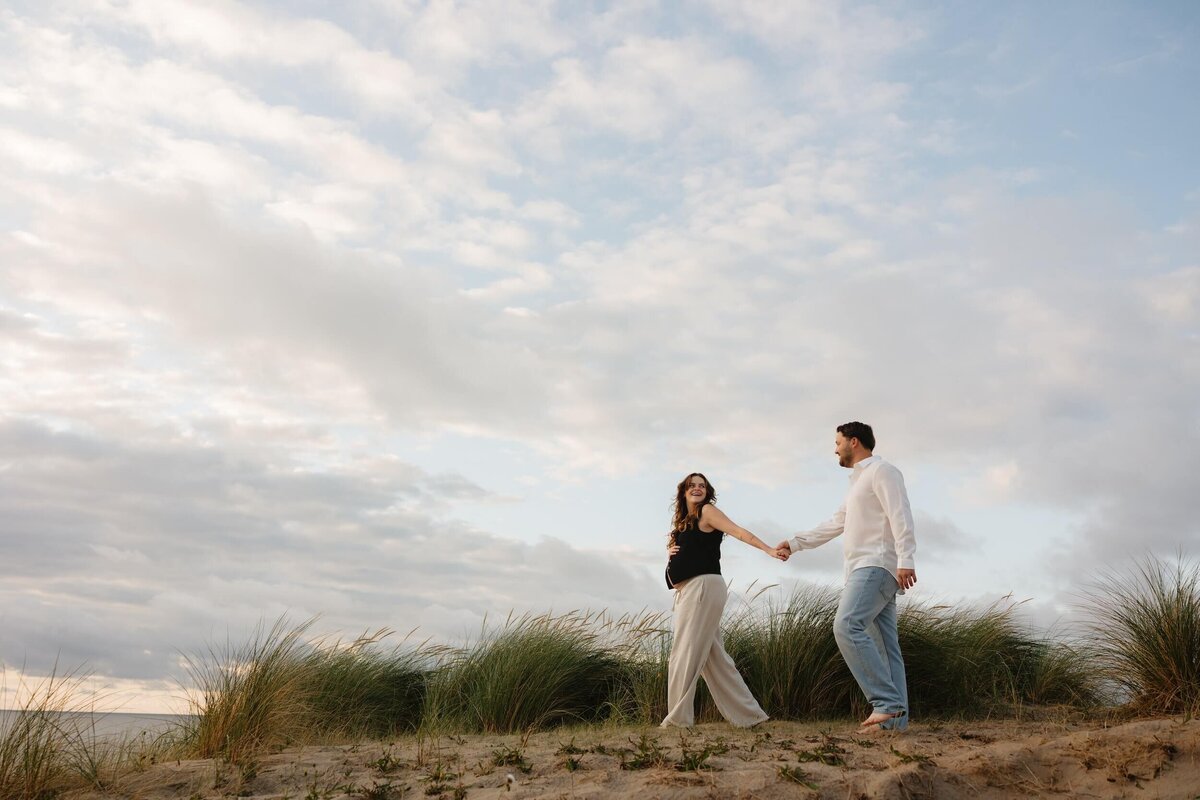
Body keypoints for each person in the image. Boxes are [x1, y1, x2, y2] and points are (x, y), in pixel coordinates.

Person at [775, 422, 917, 731]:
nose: (835, 448)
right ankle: (896, 722)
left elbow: (900, 513)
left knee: (847, 625)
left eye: (838, 442)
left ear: (854, 442)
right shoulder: (858, 483)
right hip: (867, 568)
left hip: (875, 565)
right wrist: (796, 543)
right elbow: (836, 522)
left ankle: (886, 704)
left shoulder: (883, 472)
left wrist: (906, 558)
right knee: (885, 648)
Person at [661, 472, 782, 728]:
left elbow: (739, 532)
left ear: (707, 491)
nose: (697, 488)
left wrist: (769, 549)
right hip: (693, 590)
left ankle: (677, 721)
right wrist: (671, 554)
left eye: (701, 485)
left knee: (684, 654)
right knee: (715, 659)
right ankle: (750, 716)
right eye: (691, 485)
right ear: (683, 492)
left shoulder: (707, 512)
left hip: (703, 588)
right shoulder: (685, 522)